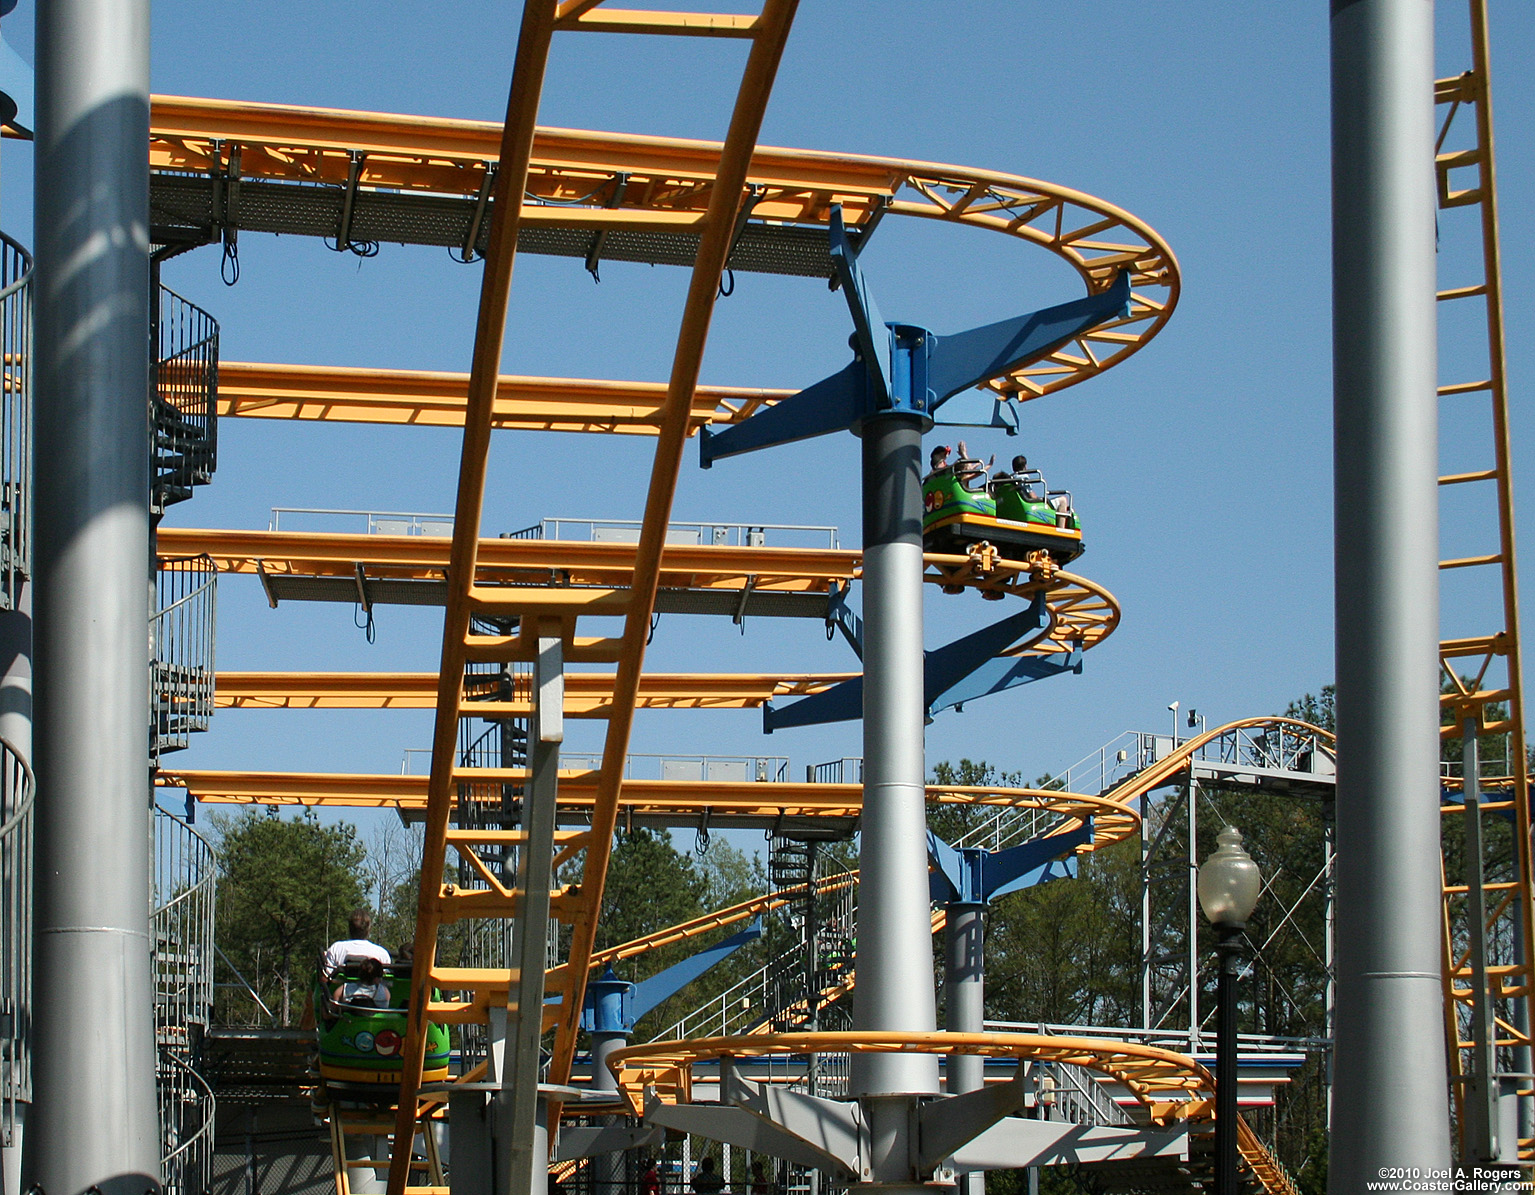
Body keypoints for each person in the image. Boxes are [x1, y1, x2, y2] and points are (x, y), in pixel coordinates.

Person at [323, 908, 391, 977]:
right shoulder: (382, 953)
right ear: (369, 929)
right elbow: (388, 982)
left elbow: (327, 976)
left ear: (349, 928)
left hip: (341, 987)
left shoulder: (336, 949)